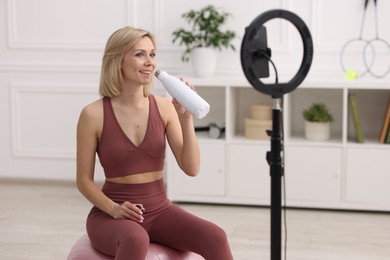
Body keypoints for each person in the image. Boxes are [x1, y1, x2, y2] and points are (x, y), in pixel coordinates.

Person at [76, 26, 233, 260]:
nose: (150, 62)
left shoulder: (164, 107)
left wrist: (185, 118)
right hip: (111, 215)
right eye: (140, 54)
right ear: (118, 60)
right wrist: (113, 209)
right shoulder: (93, 115)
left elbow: (191, 168)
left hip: (160, 210)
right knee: (135, 239)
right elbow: (83, 181)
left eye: (152, 54)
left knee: (216, 236)